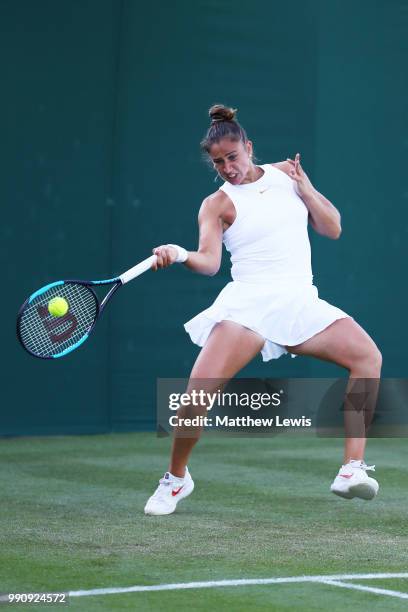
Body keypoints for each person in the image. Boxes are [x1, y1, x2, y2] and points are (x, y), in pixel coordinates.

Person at [144, 104, 382, 516]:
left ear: (248, 147)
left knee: (368, 357)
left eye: (232, 157)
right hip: (248, 305)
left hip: (299, 301)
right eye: (218, 162)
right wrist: (180, 253)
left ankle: (351, 469)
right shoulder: (216, 204)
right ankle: (176, 479)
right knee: (195, 394)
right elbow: (210, 262)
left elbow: (333, 227)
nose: (227, 168)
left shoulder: (287, 175)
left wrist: (304, 186)